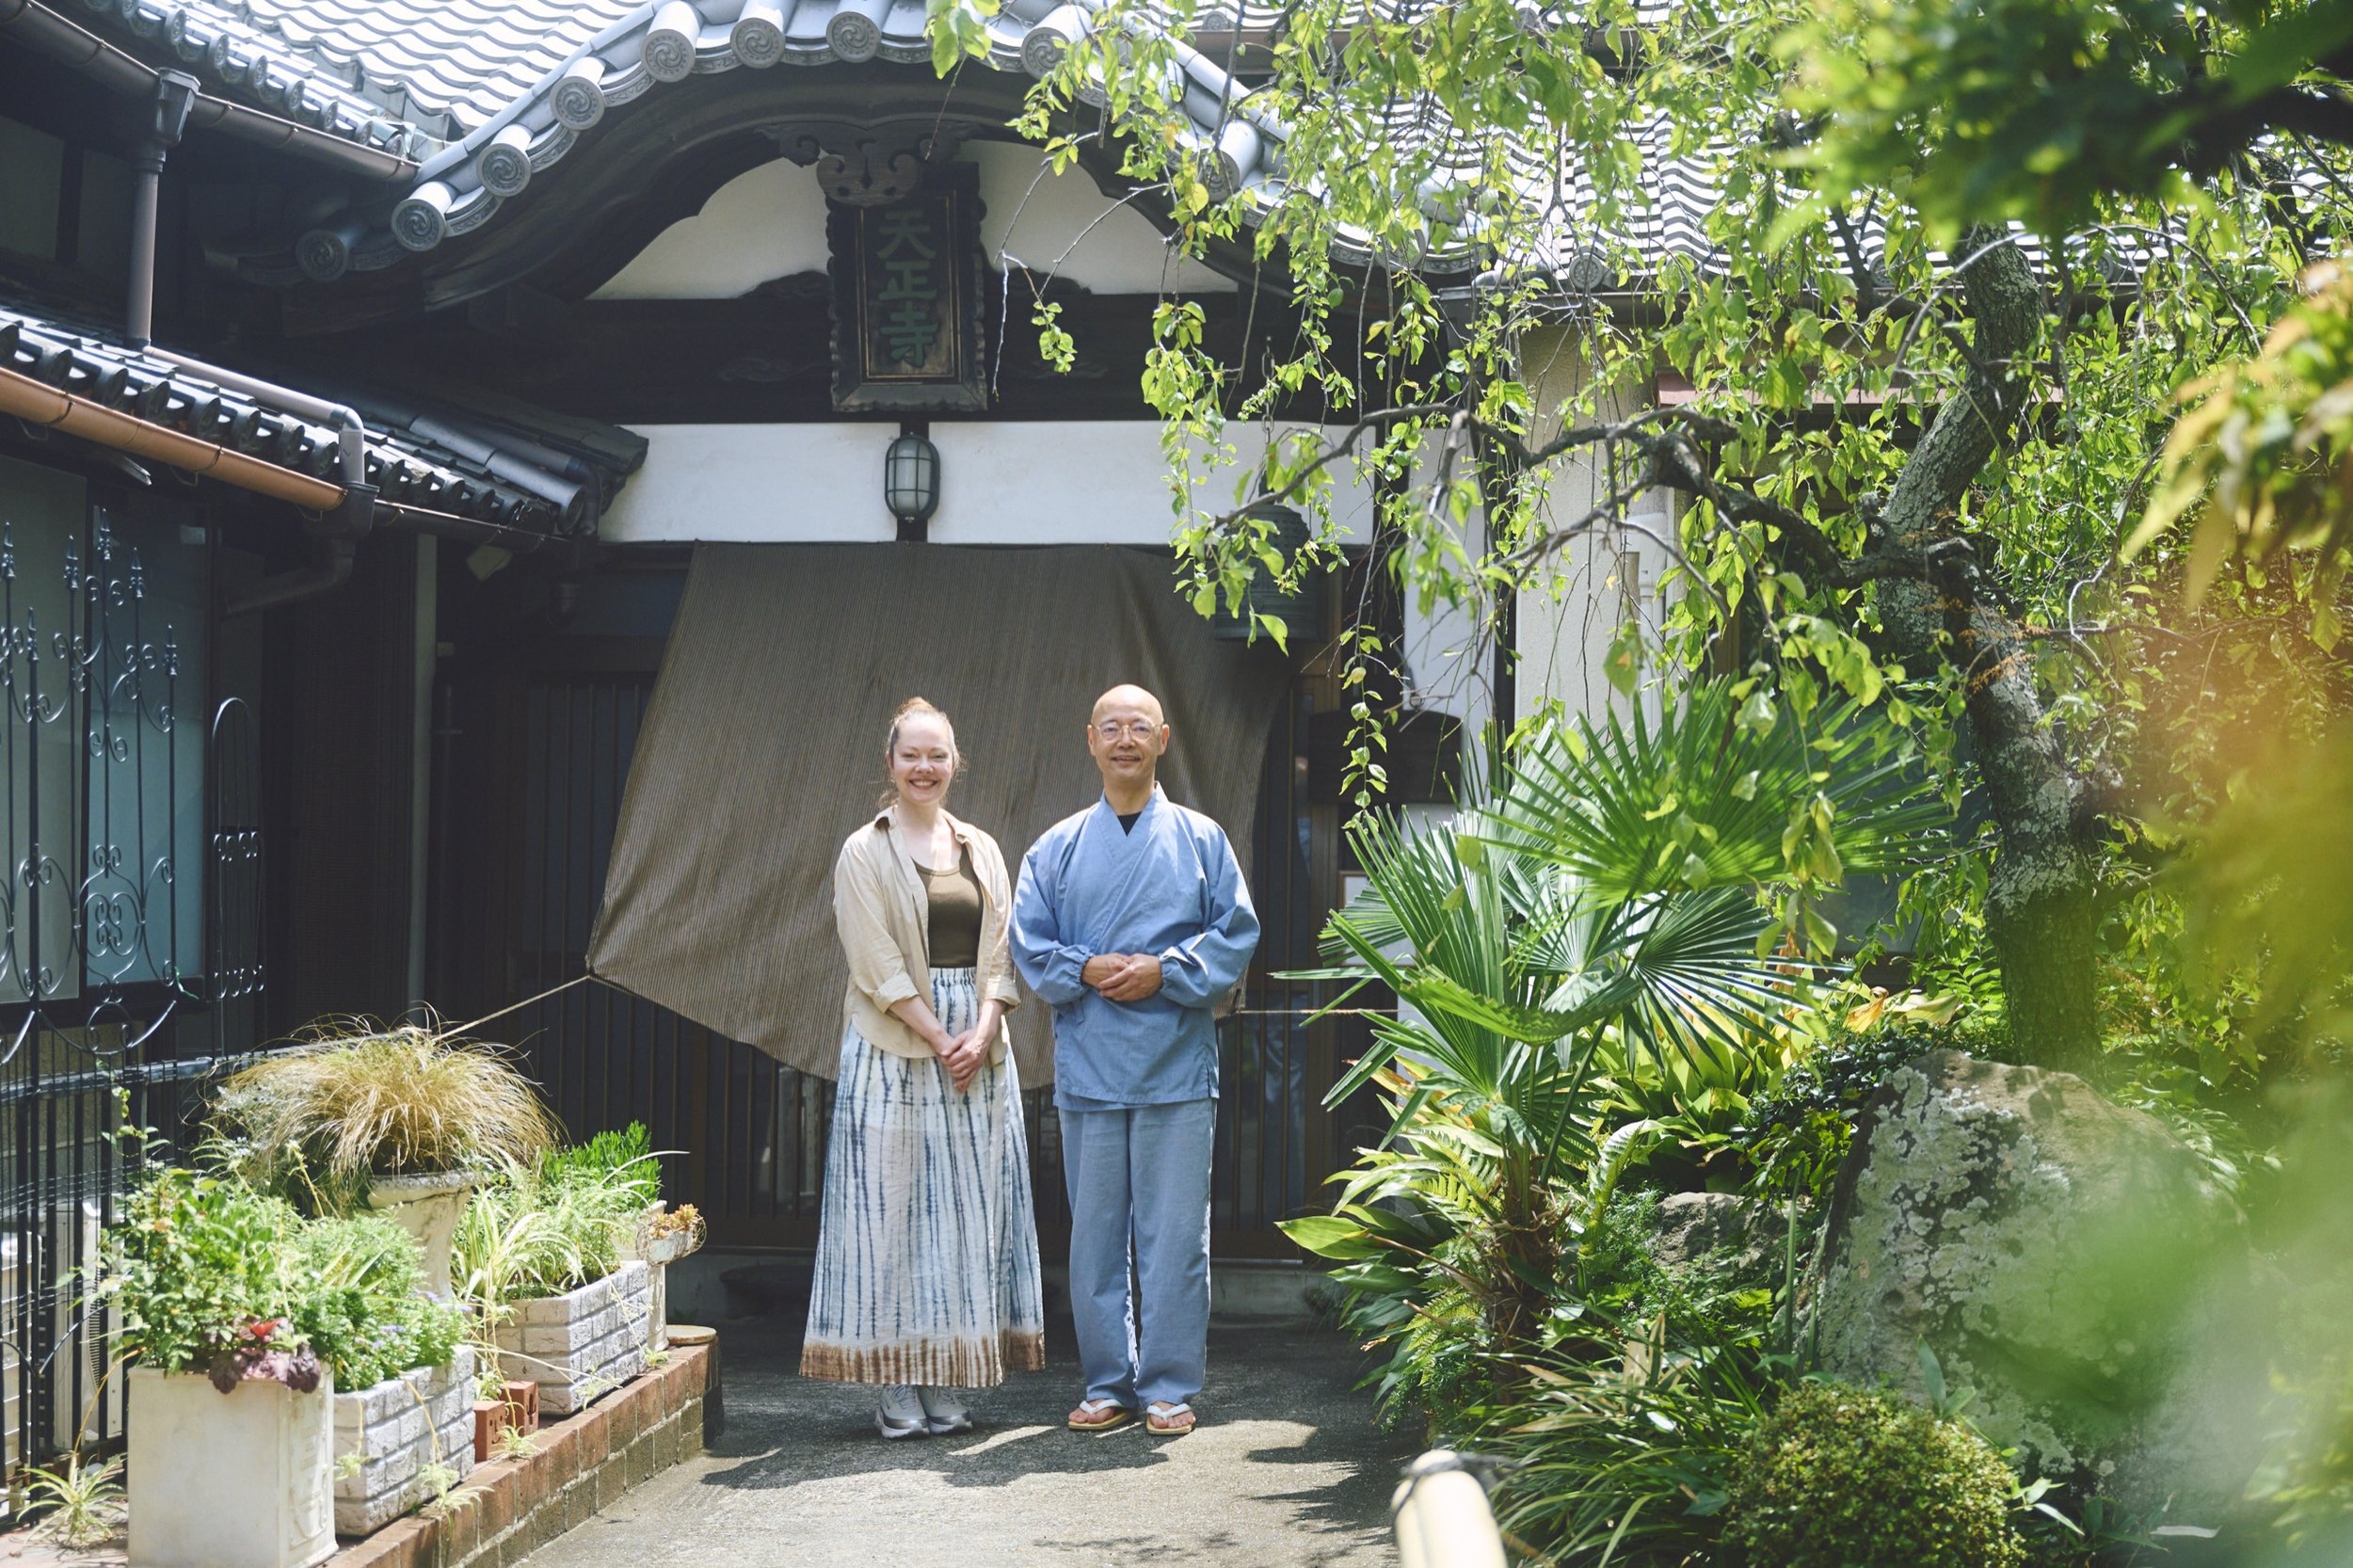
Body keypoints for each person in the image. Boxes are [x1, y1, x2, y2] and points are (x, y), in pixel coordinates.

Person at [1010, 683, 1260, 1436]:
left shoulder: (1201, 839)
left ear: (1164, 739)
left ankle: (1169, 1385)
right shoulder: (1054, 847)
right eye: (1112, 727)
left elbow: (1235, 935)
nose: (1125, 739)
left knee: (1176, 1235)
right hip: (1091, 1063)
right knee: (1094, 1236)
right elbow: (1030, 942)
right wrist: (1086, 969)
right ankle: (1106, 1382)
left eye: (1139, 727)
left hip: (1176, 1064)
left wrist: (1166, 972)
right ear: (1090, 739)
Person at [802, 696, 1046, 1438]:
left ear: (955, 762)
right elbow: (874, 962)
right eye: (911, 754)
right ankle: (894, 1382)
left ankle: (947, 1377)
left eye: (937, 754)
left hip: (979, 1048)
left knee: (967, 1217)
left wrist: (984, 1028)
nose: (924, 767)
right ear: (890, 762)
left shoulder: (982, 847)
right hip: (895, 1048)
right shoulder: (862, 851)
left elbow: (1004, 952)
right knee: (893, 1214)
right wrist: (943, 1039)